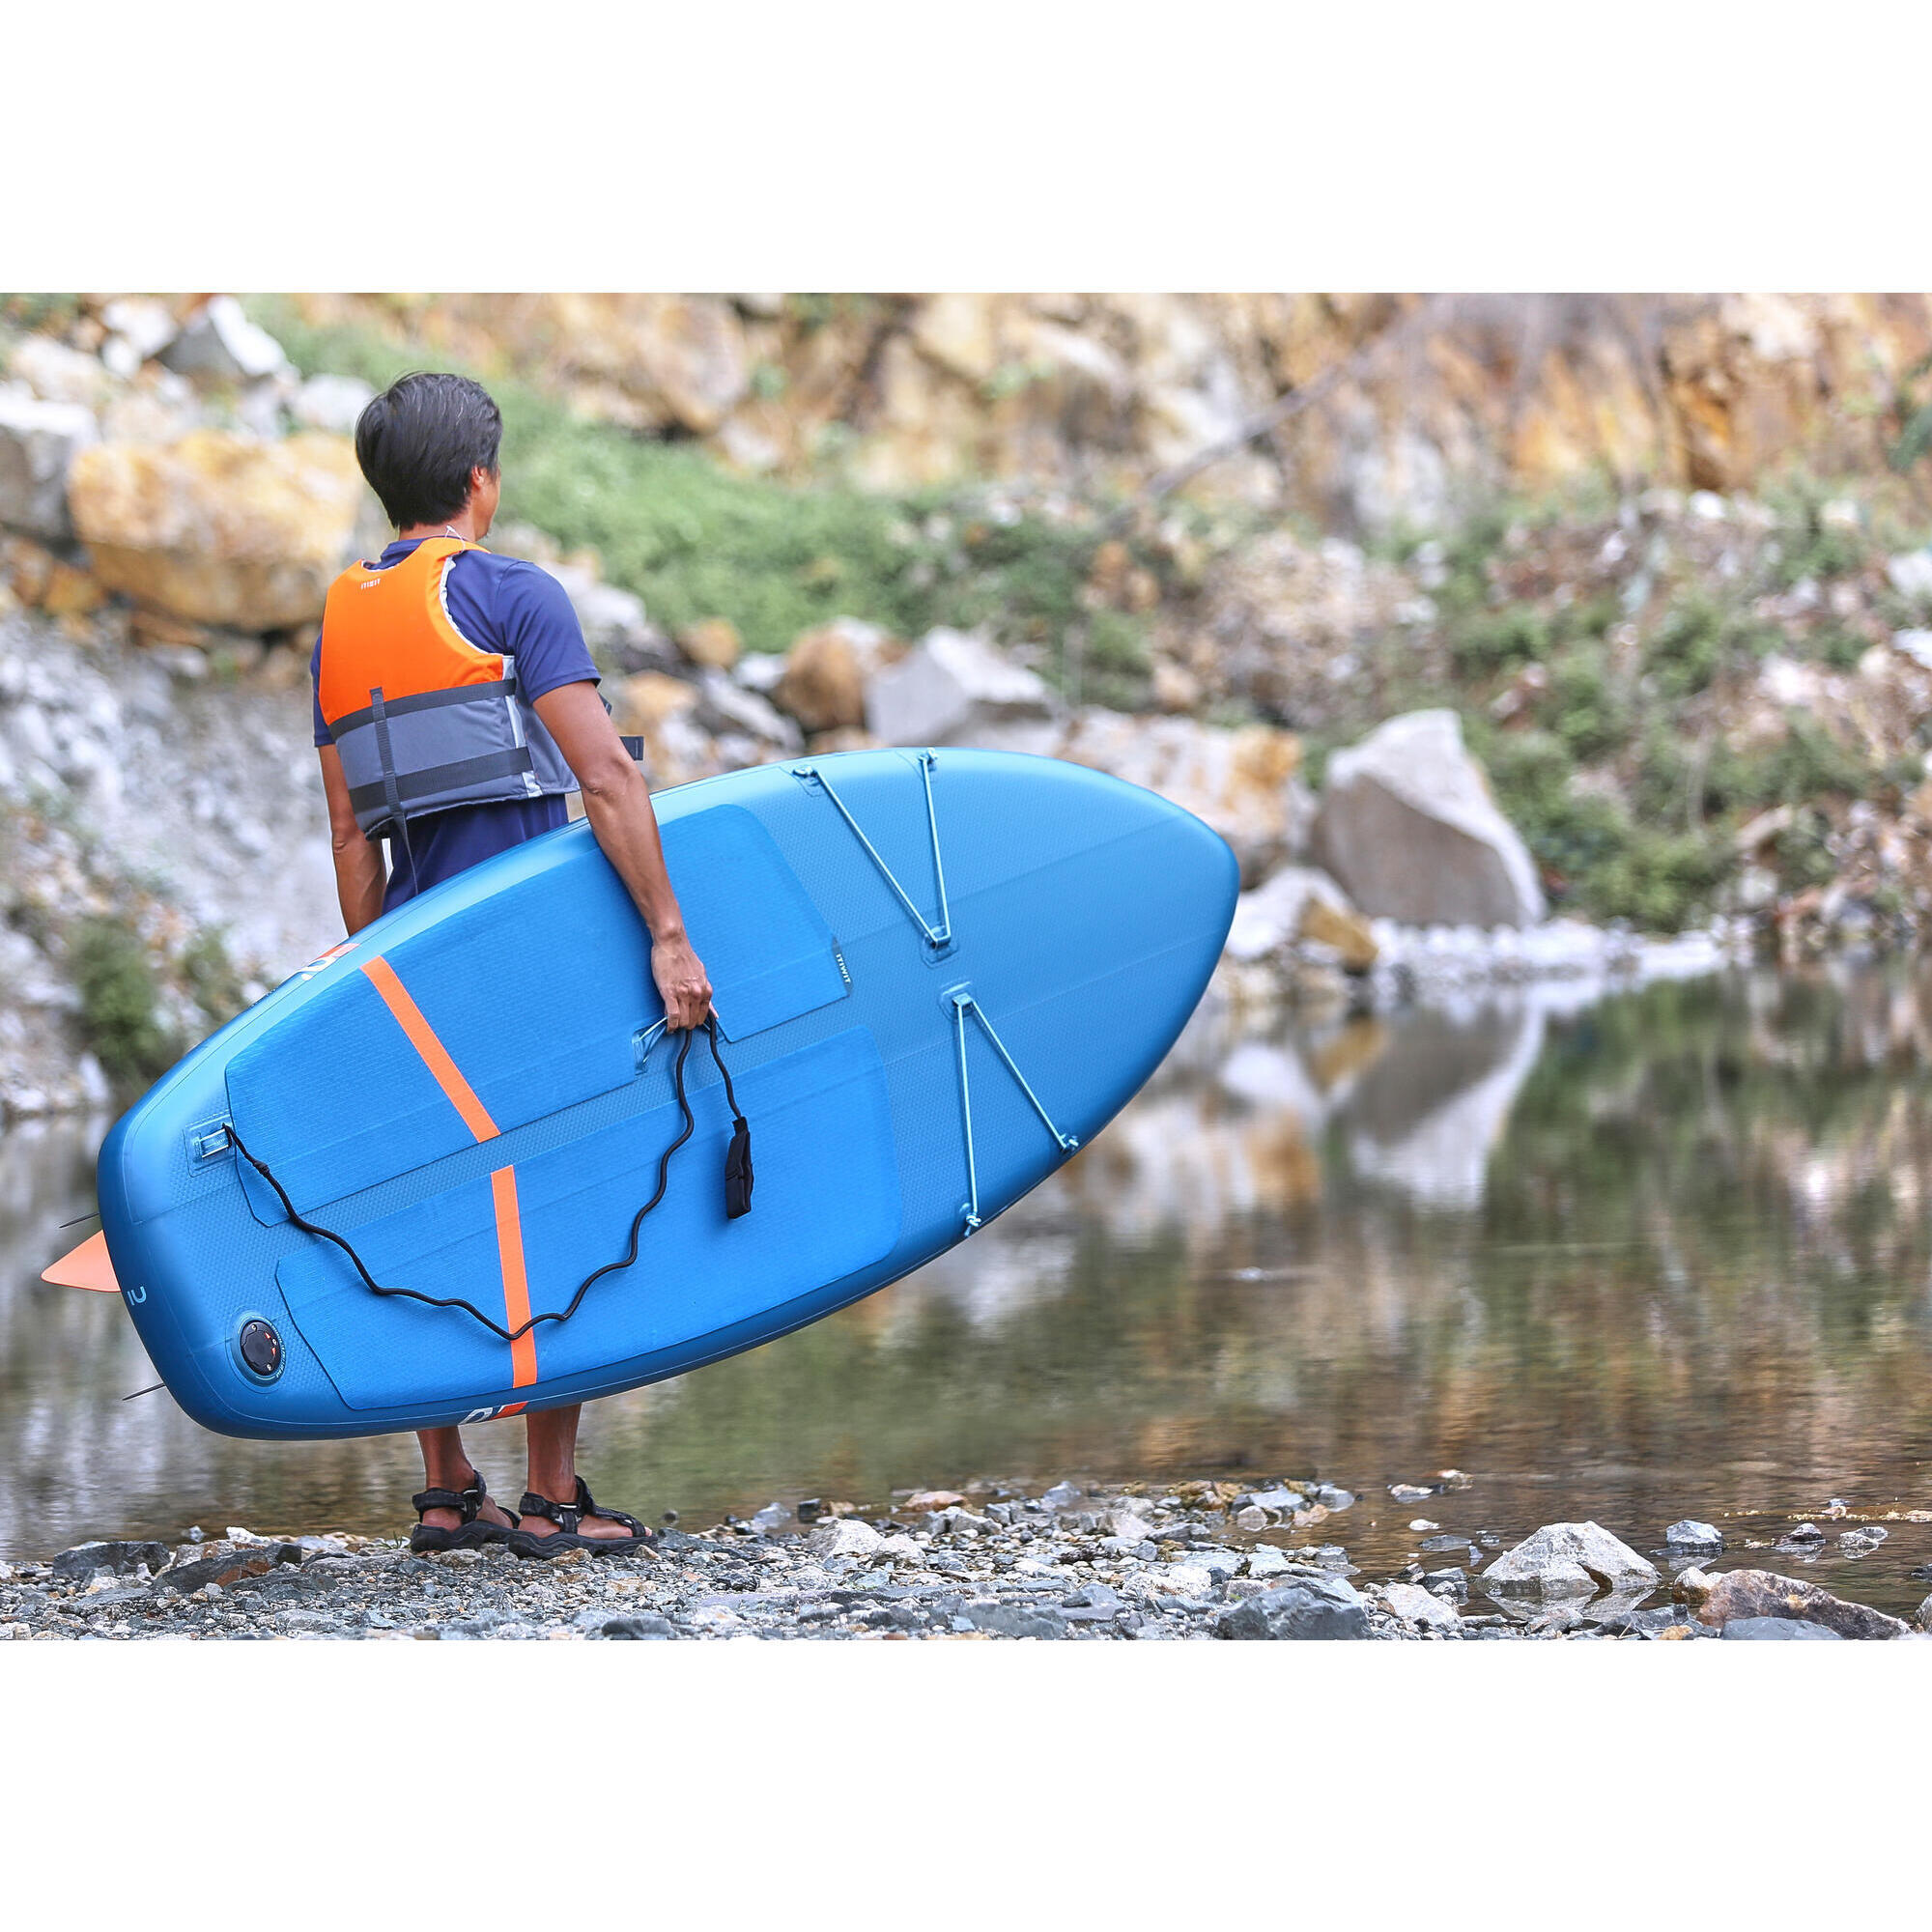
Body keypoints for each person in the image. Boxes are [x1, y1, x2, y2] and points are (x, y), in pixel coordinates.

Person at [311, 370, 712, 1558]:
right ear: (480, 479)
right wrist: (669, 934)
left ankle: (445, 1490)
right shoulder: (513, 594)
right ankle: (548, 1495)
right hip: (532, 949)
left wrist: (380, 963)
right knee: (571, 1198)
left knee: (428, 1208)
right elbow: (607, 778)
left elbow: (348, 831)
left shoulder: (343, 615)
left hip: (415, 947)